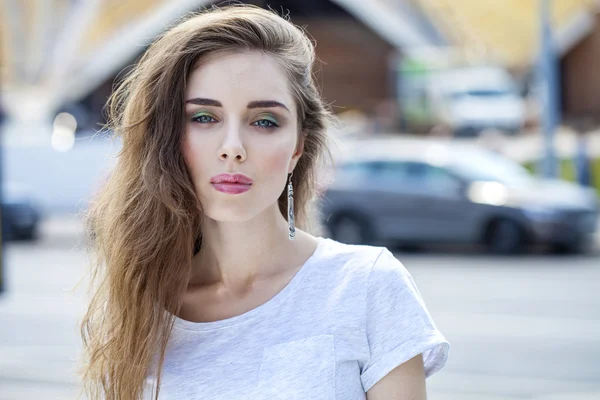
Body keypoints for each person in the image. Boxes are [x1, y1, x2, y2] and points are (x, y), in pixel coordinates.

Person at [79, 5, 449, 400]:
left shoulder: (366, 286)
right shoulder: (138, 311)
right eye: (204, 117)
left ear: (297, 148)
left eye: (264, 121)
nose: (233, 148)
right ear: (168, 137)